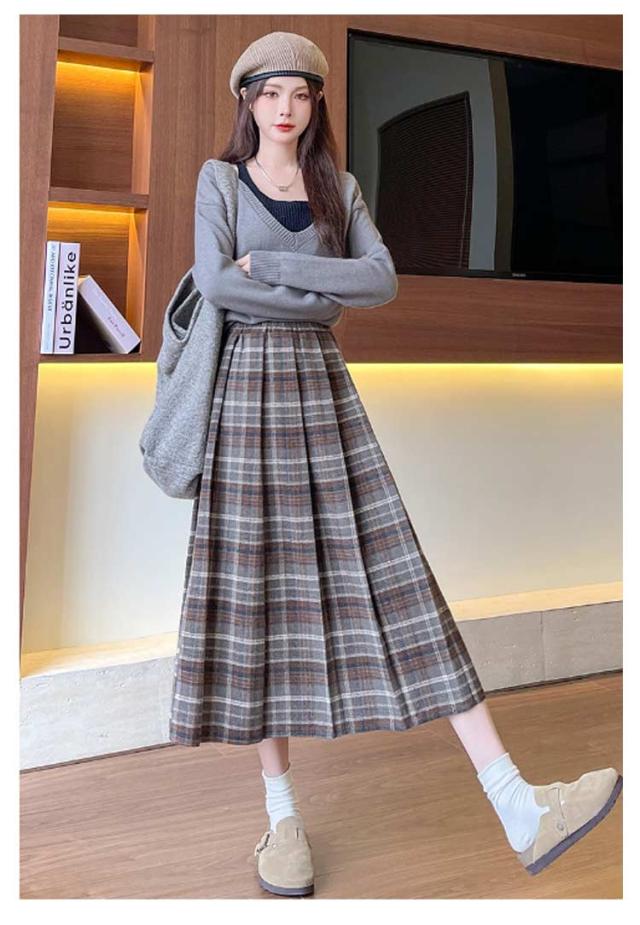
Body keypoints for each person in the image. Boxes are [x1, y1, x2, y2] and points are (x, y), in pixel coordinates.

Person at [168, 31, 622, 897]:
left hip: (323, 394)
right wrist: (317, 291)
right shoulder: (218, 181)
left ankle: (517, 804)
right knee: (256, 600)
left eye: (301, 93)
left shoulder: (338, 188)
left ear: (316, 103)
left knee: (400, 581)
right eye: (270, 93)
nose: (285, 108)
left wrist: (274, 266)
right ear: (248, 102)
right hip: (245, 401)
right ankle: (282, 820)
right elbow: (217, 286)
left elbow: (379, 281)